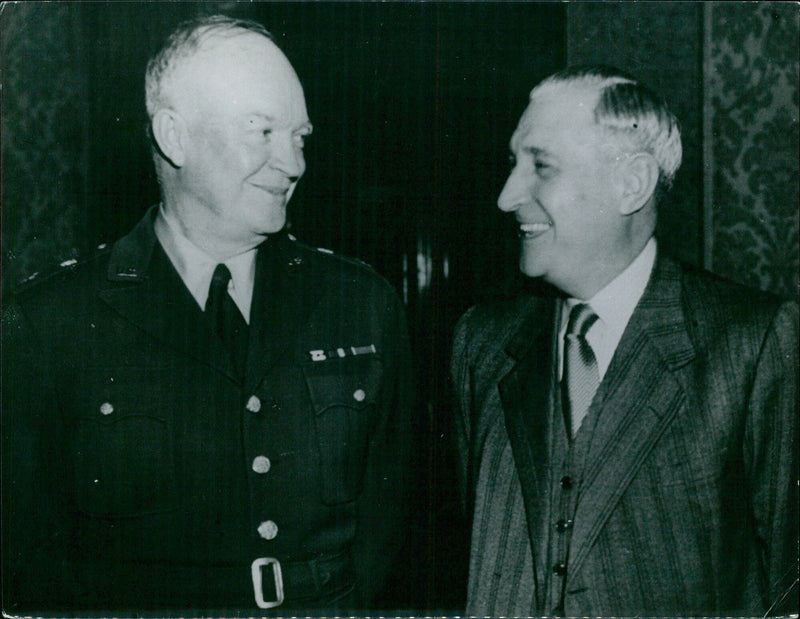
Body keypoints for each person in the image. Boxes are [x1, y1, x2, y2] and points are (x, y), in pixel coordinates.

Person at [2, 15, 414, 614]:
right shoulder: (50, 322)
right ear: (174, 135)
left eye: (299, 136)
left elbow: (388, 529)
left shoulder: (361, 304)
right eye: (262, 130)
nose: (293, 163)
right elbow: (29, 557)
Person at [451, 65, 798, 616]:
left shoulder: (751, 343)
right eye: (512, 165)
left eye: (540, 167)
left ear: (631, 183)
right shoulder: (482, 343)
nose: (507, 196)